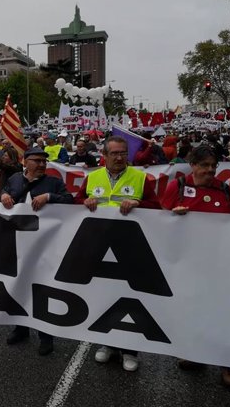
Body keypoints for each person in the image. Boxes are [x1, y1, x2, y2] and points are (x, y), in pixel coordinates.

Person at [161, 145, 230, 389]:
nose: (210, 170)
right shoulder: (178, 187)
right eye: (204, 165)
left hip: (221, 265)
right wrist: (174, 216)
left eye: (213, 166)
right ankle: (196, 354)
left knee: (223, 312)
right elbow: (159, 222)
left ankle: (228, 364)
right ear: (192, 165)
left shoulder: (225, 190)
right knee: (194, 309)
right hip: (189, 265)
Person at [75, 135, 161, 372]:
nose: (120, 157)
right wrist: (85, 201)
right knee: (103, 297)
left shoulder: (141, 178)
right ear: (104, 155)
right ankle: (106, 344)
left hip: (131, 248)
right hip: (99, 248)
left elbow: (158, 208)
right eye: (114, 153)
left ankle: (130, 350)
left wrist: (138, 204)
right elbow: (76, 202)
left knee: (131, 299)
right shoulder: (93, 177)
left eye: (123, 153)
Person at [0, 146, 74, 356]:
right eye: (37, 161)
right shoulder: (15, 179)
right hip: (16, 244)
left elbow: (70, 200)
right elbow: (3, 191)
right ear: (25, 162)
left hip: (43, 247)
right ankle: (21, 329)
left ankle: (45, 335)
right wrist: (4, 195)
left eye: (44, 161)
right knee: (18, 287)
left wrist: (49, 197)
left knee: (41, 291)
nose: (42, 165)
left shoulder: (54, 182)